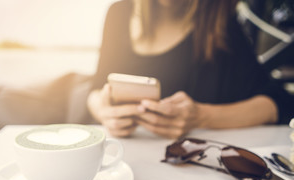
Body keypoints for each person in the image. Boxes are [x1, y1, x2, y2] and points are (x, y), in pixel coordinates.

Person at [86, 0, 294, 138]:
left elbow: (277, 104)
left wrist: (201, 116)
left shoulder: (219, 26)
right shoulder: (118, 14)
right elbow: (95, 89)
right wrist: (104, 112)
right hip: (122, 160)